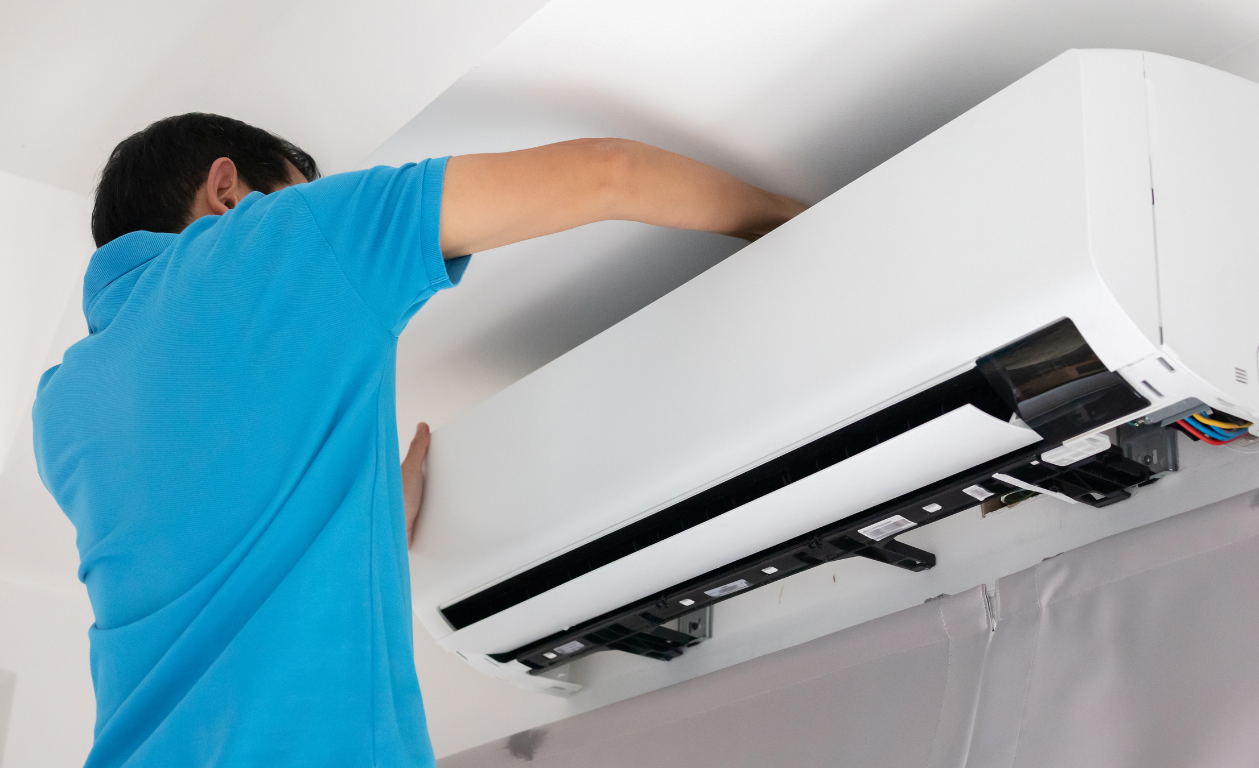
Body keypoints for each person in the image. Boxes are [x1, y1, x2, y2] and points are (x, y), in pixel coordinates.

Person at [31, 112, 804, 767]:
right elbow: (607, 170)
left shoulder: (61, 405)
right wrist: (798, 218)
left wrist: (364, 517)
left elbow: (203, 545)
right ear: (228, 190)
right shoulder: (282, 238)